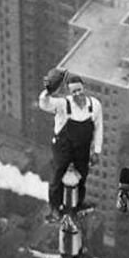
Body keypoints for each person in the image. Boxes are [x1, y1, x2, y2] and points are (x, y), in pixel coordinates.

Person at [39, 69, 103, 220]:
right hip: (63, 146)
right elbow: (44, 104)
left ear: (84, 88)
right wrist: (48, 91)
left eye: (79, 90)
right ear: (69, 91)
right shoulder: (62, 104)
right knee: (57, 176)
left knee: (82, 175)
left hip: (83, 147)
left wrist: (97, 151)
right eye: (73, 91)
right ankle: (55, 208)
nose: (77, 94)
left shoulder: (94, 106)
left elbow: (99, 127)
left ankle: (79, 203)